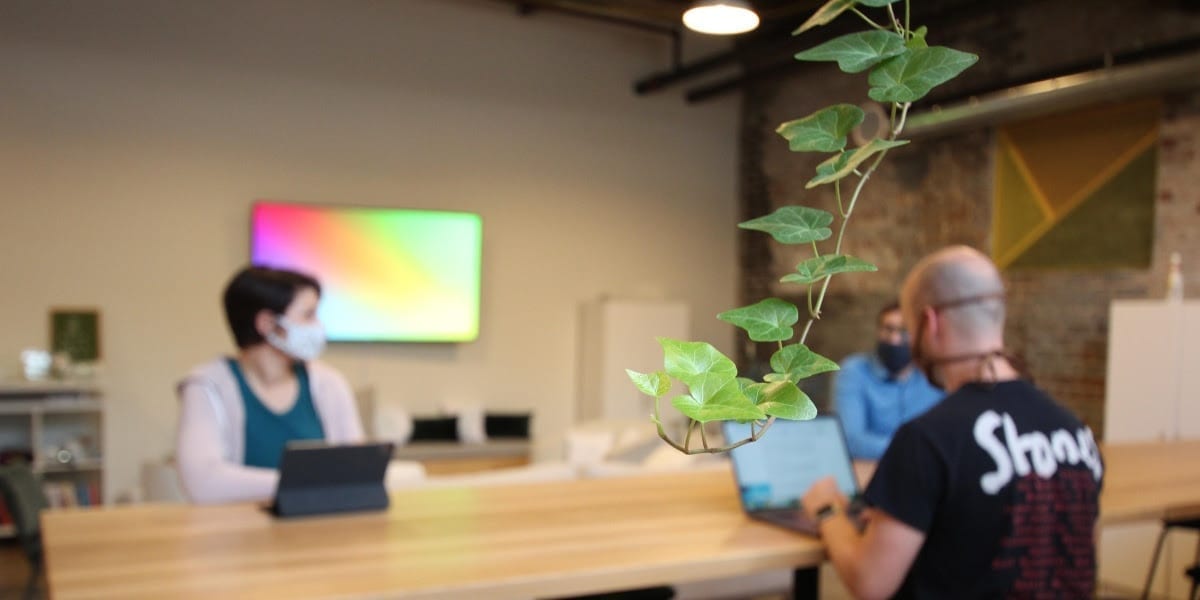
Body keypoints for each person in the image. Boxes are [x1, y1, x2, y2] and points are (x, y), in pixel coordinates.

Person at [802, 245, 1104, 599]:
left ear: (930, 323)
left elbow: (871, 583)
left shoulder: (926, 439)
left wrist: (828, 510)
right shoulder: (1077, 433)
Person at [175, 265, 365, 504]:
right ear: (267, 324)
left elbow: (358, 475)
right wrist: (307, 483)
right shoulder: (207, 386)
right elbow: (202, 483)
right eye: (308, 315)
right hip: (239, 533)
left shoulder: (329, 383)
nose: (318, 326)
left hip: (319, 531)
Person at [833, 301, 943, 459]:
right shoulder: (855, 371)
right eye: (888, 329)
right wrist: (915, 450)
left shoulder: (932, 375)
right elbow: (851, 440)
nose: (894, 339)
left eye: (904, 331)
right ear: (878, 331)